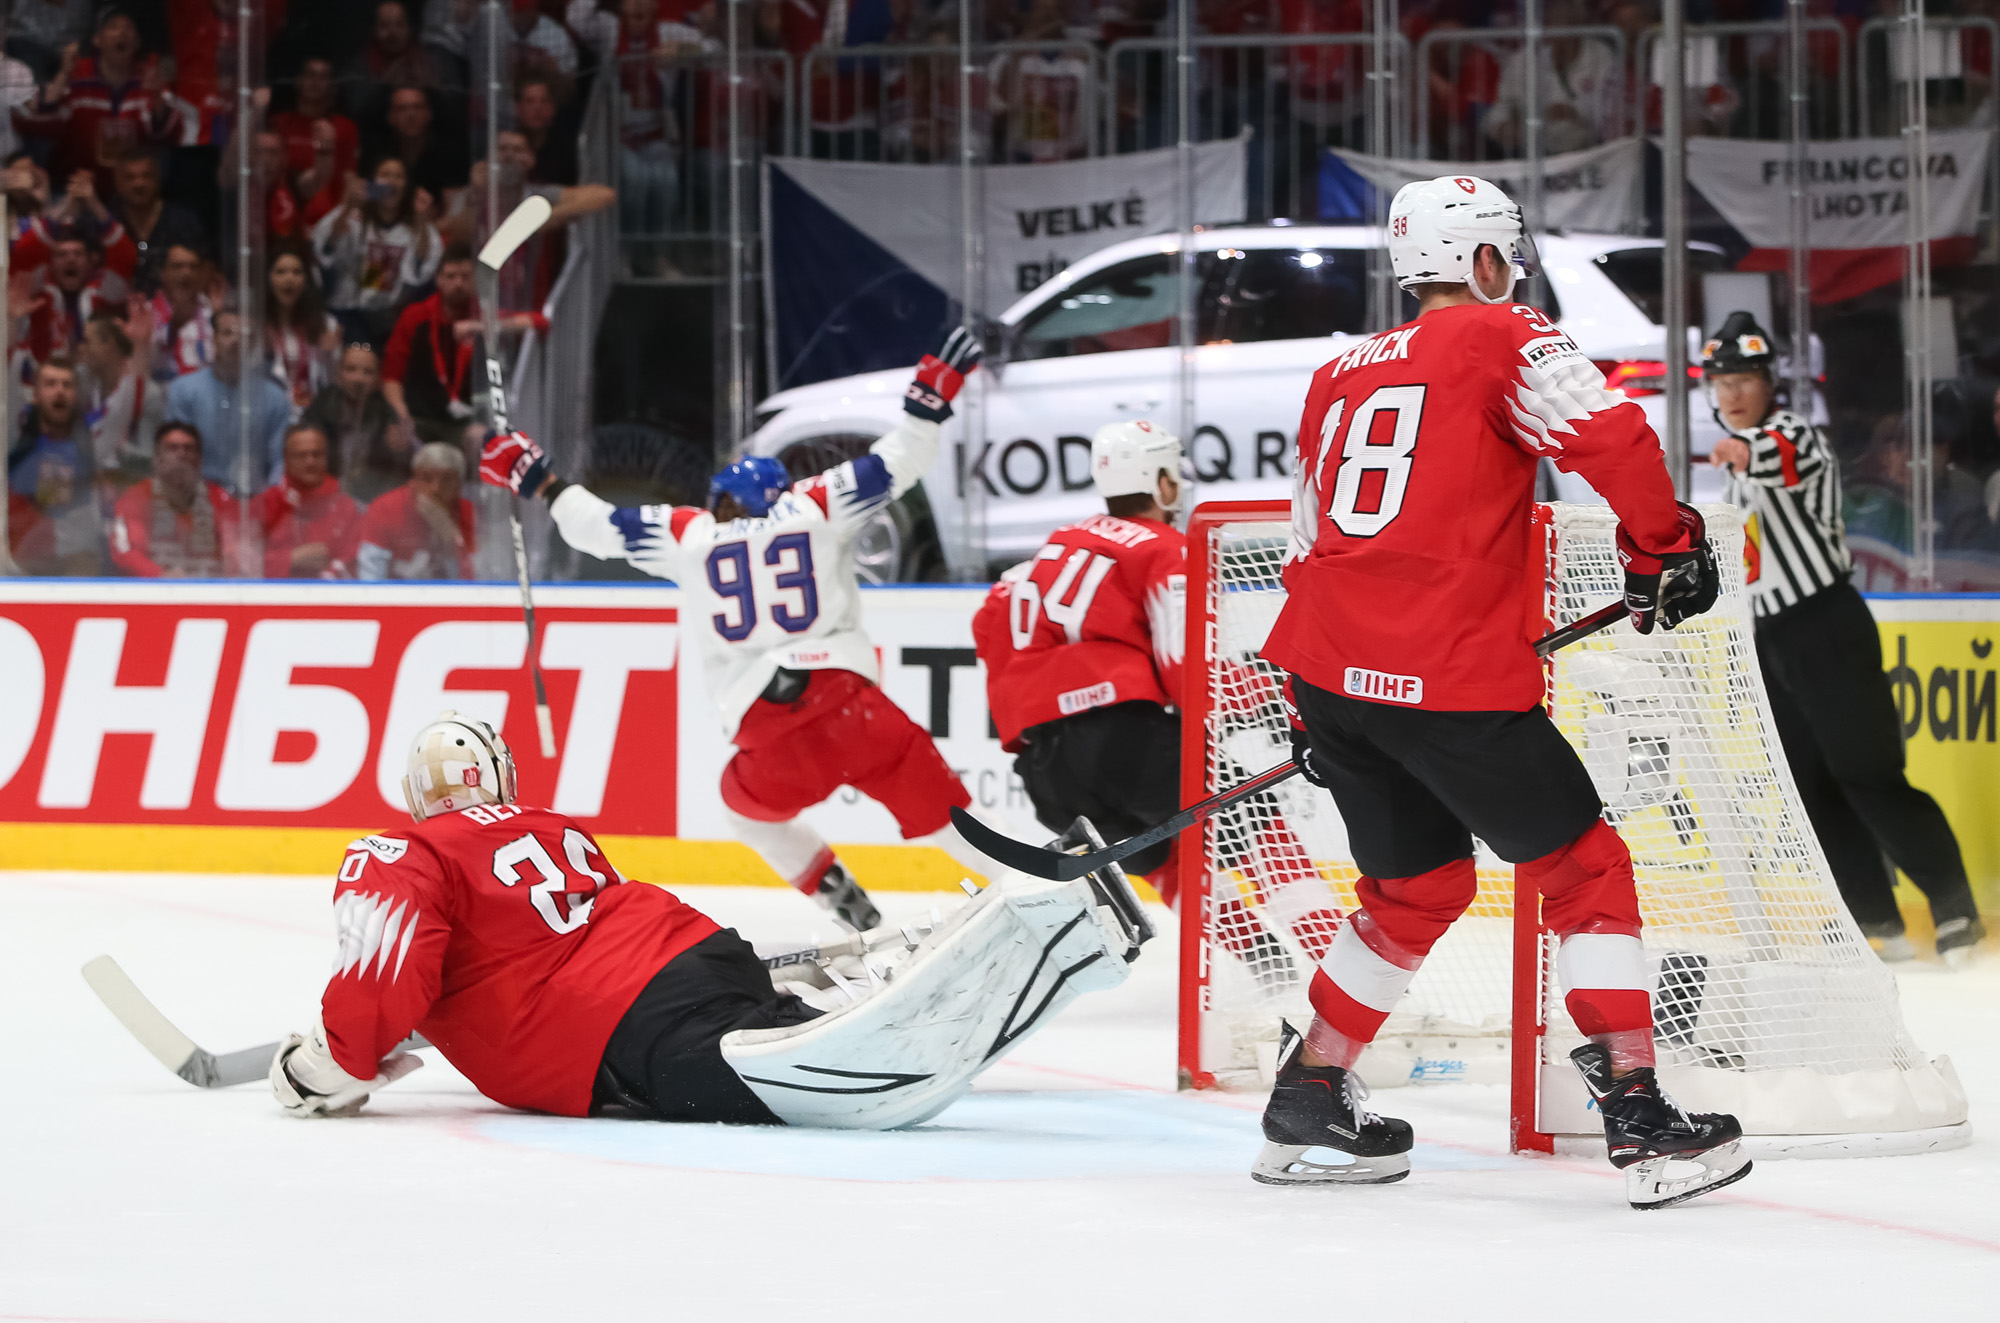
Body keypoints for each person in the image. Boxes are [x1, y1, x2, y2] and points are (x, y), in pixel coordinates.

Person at [1253, 175, 1743, 1208]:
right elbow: (1612, 439)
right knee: (1584, 872)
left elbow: (1305, 541)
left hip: (1331, 674)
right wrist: (1663, 549)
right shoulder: (1502, 333)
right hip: (1445, 680)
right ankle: (1639, 1116)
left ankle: (1308, 1088)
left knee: (1412, 892)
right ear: (1483, 260)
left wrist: (1314, 709)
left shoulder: (1338, 371)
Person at [268, 712, 1144, 1126]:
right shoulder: (552, 825)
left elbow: (388, 967)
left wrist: (329, 1061)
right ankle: (1022, 939)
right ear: (499, 775)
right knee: (779, 1025)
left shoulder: (400, 849)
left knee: (802, 1074)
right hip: (701, 954)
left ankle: (1039, 932)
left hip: (614, 1029)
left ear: (416, 795)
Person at [479, 331, 992, 932]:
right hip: (854, 709)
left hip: (769, 732)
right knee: (946, 819)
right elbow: (903, 457)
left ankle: (838, 895)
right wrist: (928, 400)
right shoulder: (816, 504)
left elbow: (593, 527)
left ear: (724, 501)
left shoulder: (688, 534)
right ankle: (1025, 887)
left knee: (745, 812)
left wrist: (540, 481)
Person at [1702, 311, 1987, 964]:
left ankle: (1955, 913)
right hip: (1770, 636)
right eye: (1722, 380)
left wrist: (1744, 451)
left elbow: (1782, 459)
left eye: (1744, 377)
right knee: (1809, 783)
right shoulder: (1735, 464)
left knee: (1868, 772)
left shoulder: (1791, 434)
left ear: (1769, 381)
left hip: (1824, 622)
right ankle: (1875, 922)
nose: (1733, 392)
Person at [974, 420, 1187, 889]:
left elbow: (987, 624)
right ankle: (1313, 950)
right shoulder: (1163, 548)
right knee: (1255, 829)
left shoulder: (1054, 547)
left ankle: (1258, 960)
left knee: (1167, 863)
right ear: (1159, 481)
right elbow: (1182, 666)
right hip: (1124, 742)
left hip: (1046, 773)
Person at [382, 242, 546, 444]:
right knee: (395, 436)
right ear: (439, 279)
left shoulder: (484, 315)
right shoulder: (416, 316)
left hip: (467, 423)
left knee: (479, 437)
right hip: (420, 418)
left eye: (465, 277)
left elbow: (541, 322)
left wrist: (480, 326)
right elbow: (392, 376)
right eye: (451, 277)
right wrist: (401, 414)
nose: (458, 283)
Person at [12, 9, 182, 192]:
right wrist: (63, 75)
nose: (122, 33)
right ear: (97, 40)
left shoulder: (149, 77)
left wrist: (157, 98)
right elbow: (33, 120)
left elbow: (170, 135)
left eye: (129, 29)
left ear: (137, 43)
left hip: (129, 194)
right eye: (113, 27)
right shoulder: (78, 74)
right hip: (75, 190)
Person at [312, 154, 442, 347]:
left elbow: (421, 268)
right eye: (385, 174)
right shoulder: (353, 216)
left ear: (407, 185)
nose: (391, 181)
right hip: (349, 312)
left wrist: (422, 219)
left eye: (398, 176)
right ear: (372, 182)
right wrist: (348, 205)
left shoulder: (417, 225)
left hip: (391, 315)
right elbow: (326, 248)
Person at [165, 307, 292, 497]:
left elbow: (279, 461)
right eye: (227, 333)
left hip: (254, 501)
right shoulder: (183, 390)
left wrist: (269, 500)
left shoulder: (275, 398)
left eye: (244, 335)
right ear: (214, 338)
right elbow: (175, 455)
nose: (235, 340)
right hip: (196, 498)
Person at [108, 419, 249, 577]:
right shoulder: (135, 499)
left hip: (211, 593)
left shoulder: (221, 500)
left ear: (199, 460)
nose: (181, 454)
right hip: (156, 594)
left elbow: (240, 554)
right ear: (156, 459)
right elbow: (125, 551)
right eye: (172, 448)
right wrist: (160, 575)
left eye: (188, 449)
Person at [6, 354, 100, 574]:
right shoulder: (15, 442)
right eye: (50, 384)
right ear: (36, 395)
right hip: (23, 558)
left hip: (79, 557)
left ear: (76, 395)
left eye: (67, 385)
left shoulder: (92, 442)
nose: (60, 391)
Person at [302, 341, 411, 505]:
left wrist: (402, 451)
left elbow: (399, 474)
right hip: (323, 498)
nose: (359, 379)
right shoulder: (319, 410)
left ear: (377, 380)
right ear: (338, 374)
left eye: (368, 372)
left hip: (370, 500)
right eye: (351, 369)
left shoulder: (387, 415)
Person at [356, 440, 476, 579]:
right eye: (426, 478)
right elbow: (370, 579)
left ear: (459, 486)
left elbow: (477, 584)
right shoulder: (385, 509)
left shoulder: (468, 513)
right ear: (413, 481)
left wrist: (450, 537)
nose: (435, 489)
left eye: (447, 480)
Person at [268, 56, 359, 230]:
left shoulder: (344, 127)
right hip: (284, 217)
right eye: (310, 75)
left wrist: (342, 221)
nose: (315, 82)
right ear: (297, 81)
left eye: (323, 77)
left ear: (331, 85)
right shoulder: (279, 123)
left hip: (328, 222)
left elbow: (350, 179)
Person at [78, 304, 161, 489]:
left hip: (127, 493)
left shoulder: (148, 394)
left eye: (87, 341)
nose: (81, 348)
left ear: (108, 344)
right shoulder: (85, 385)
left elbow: (148, 461)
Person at [106, 151, 202, 295]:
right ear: (118, 183)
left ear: (158, 180)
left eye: (146, 176)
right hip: (115, 309)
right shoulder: (108, 221)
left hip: (173, 311)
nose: (139, 183)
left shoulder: (182, 221)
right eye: (130, 177)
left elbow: (204, 267)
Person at [263, 241, 339, 416]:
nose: (289, 279)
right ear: (268, 279)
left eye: (297, 272)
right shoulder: (256, 325)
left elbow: (333, 383)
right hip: (269, 416)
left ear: (306, 280)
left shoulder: (325, 324)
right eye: (280, 272)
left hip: (312, 416)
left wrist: (330, 355)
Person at [368, 85, 469, 202]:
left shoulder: (450, 153)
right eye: (402, 108)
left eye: (418, 107)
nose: (411, 115)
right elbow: (372, 202)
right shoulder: (377, 152)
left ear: (429, 114)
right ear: (390, 117)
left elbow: (453, 210)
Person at [145, 241, 213, 381]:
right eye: (177, 266)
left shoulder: (211, 311)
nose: (186, 272)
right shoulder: (147, 312)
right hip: (163, 396)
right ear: (162, 273)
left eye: (193, 267)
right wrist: (173, 327)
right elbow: (147, 362)